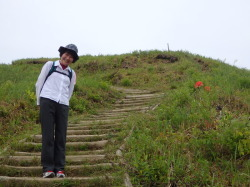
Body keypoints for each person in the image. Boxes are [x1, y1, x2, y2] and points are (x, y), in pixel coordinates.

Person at [35, 44, 78, 178]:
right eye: (66, 54)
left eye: (71, 56)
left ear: (73, 59)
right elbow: (39, 83)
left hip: (63, 104)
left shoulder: (72, 73)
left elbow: (70, 91)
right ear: (62, 54)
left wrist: (65, 102)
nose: (67, 57)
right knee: (48, 135)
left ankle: (60, 168)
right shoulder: (50, 66)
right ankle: (48, 168)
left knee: (61, 137)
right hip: (47, 100)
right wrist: (39, 102)